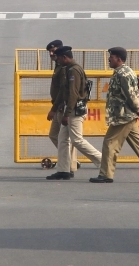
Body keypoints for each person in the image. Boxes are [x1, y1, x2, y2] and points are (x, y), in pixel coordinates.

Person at [90, 47, 139, 183]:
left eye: (111, 57)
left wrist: (137, 108)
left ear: (118, 59)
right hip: (128, 114)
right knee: (138, 143)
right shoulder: (127, 72)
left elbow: (130, 94)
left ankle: (106, 174)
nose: (109, 59)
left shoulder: (123, 74)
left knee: (110, 143)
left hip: (123, 116)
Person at [48, 46, 103, 180]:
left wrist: (67, 114)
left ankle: (103, 161)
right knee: (62, 140)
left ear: (65, 57)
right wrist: (54, 109)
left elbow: (73, 94)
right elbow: (62, 92)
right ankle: (63, 170)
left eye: (59, 58)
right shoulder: (67, 69)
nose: (57, 61)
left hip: (74, 111)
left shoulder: (74, 70)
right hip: (69, 109)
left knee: (77, 140)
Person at [44, 40, 69, 174]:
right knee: (54, 135)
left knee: (73, 140)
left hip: (61, 107)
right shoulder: (58, 65)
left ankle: (68, 162)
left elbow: (64, 90)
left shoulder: (64, 67)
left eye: (53, 51)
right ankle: (68, 161)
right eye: (49, 51)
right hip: (58, 106)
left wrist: (54, 109)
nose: (51, 54)